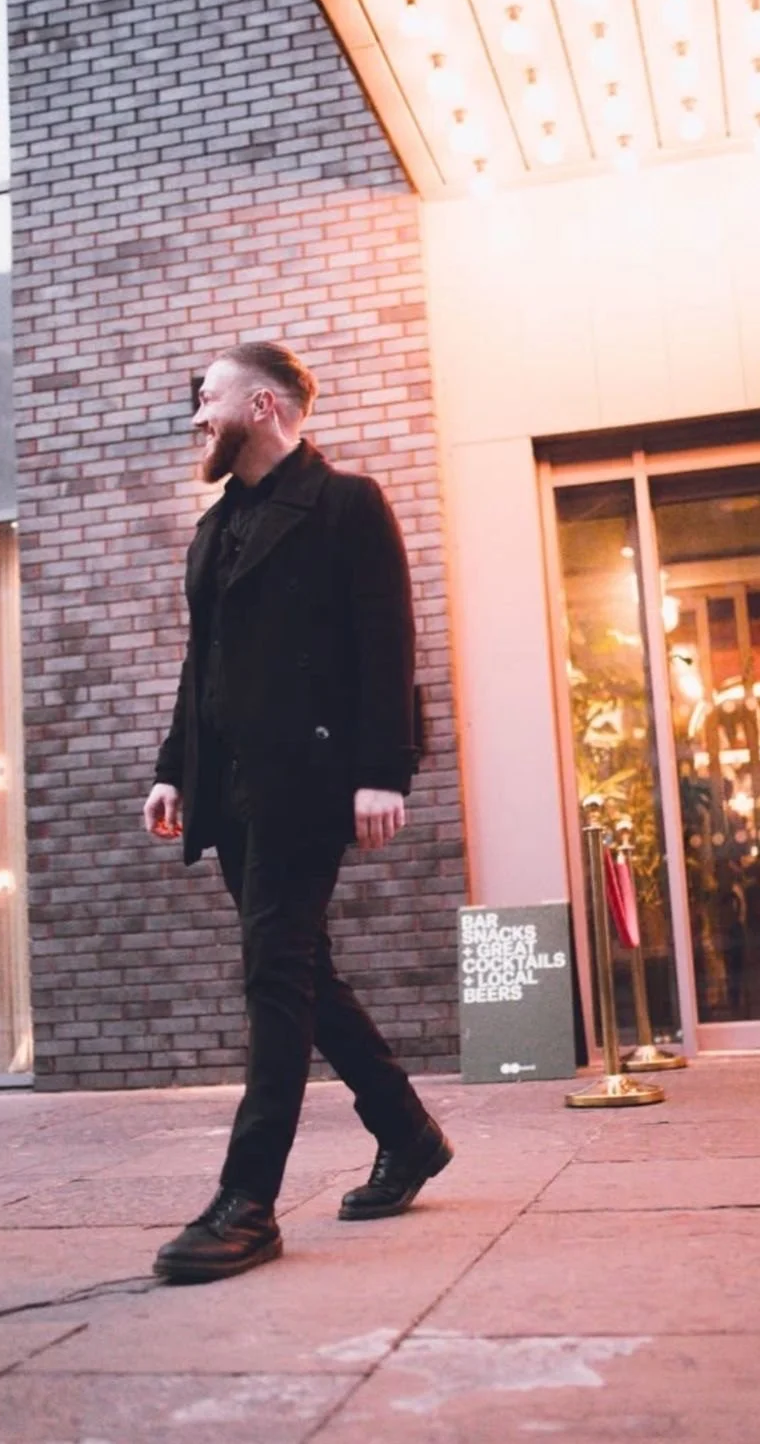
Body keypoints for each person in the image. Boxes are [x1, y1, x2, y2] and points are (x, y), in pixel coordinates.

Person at [142, 340, 452, 1285]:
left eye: (208, 398)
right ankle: (406, 1131)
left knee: (273, 973)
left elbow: (386, 639)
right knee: (301, 966)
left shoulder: (346, 503)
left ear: (263, 405)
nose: (197, 415)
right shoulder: (215, 528)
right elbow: (203, 664)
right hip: (231, 789)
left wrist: (384, 771)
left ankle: (248, 1200)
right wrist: (173, 768)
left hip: (309, 782)